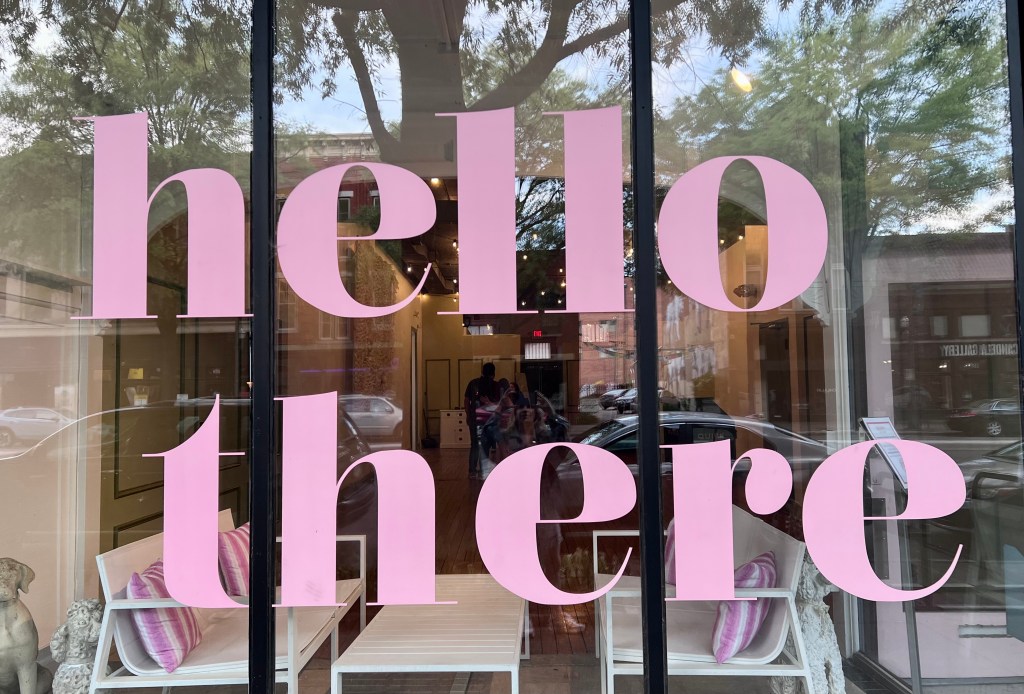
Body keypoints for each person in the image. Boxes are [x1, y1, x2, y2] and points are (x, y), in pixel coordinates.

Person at [464, 362, 500, 478]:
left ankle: (472, 471)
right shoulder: (495, 385)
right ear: (493, 374)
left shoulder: (473, 383)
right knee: (485, 445)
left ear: (482, 371)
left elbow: (466, 400)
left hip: (474, 418)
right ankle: (482, 470)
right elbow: (498, 403)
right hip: (488, 419)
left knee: (474, 444)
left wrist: (468, 415)